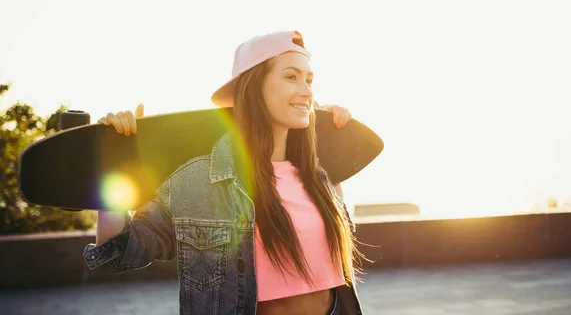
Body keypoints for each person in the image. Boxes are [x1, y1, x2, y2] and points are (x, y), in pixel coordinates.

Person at [83, 30, 365, 315]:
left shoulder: (316, 176)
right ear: (254, 86)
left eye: (309, 79)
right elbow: (115, 254)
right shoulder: (195, 181)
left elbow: (342, 242)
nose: (306, 90)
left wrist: (331, 137)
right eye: (291, 77)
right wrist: (115, 161)